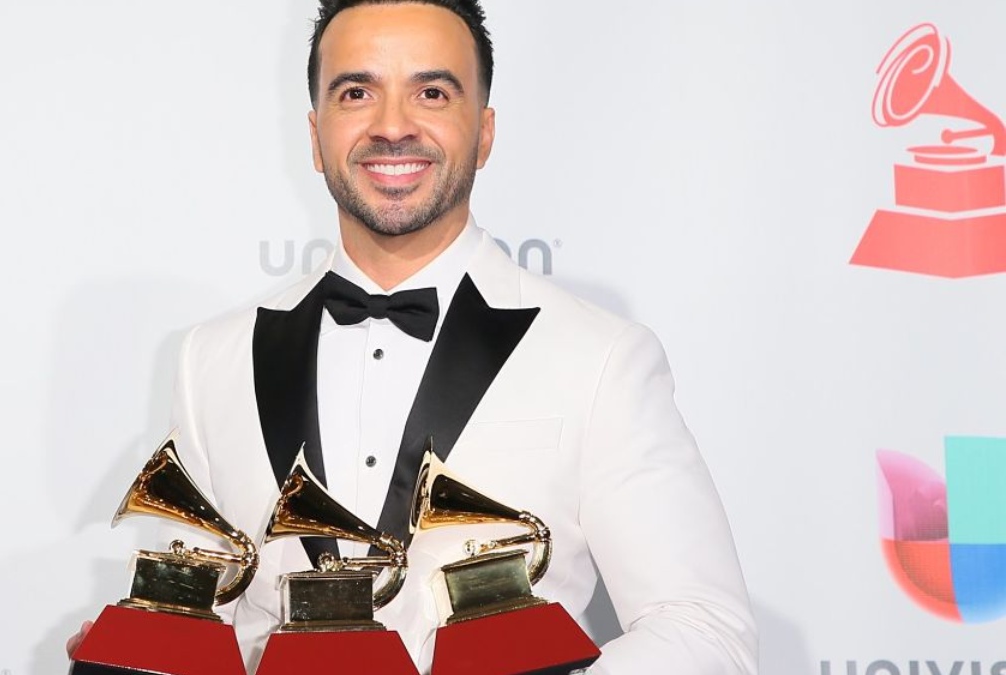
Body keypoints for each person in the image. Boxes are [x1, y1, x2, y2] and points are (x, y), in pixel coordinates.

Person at [70, 1, 758, 673]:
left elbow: (704, 629)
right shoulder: (207, 359)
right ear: (314, 136)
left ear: (484, 131)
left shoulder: (603, 355)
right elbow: (197, 613)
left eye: (431, 92)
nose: (392, 126)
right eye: (356, 91)